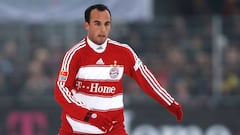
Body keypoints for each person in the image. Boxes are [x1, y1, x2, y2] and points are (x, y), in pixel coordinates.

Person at [54, 4, 183, 135]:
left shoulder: (123, 52)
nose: (103, 29)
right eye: (97, 24)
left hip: (113, 129)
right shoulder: (75, 54)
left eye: (107, 24)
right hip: (77, 130)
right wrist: (89, 116)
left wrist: (170, 103)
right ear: (87, 25)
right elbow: (61, 91)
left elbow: (147, 80)